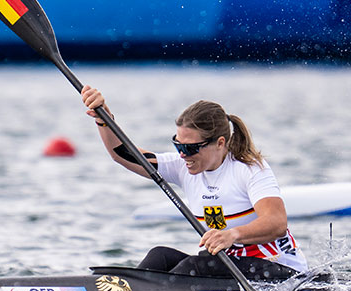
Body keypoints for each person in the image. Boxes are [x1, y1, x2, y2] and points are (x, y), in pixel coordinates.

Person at [81, 86, 307, 279]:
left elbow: (276, 222)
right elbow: (124, 154)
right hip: (228, 266)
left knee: (197, 265)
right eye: (178, 146)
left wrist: (232, 234)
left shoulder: (250, 170)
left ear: (219, 143)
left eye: (190, 148)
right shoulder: (184, 167)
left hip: (280, 269)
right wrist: (104, 120)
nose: (183, 155)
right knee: (159, 256)